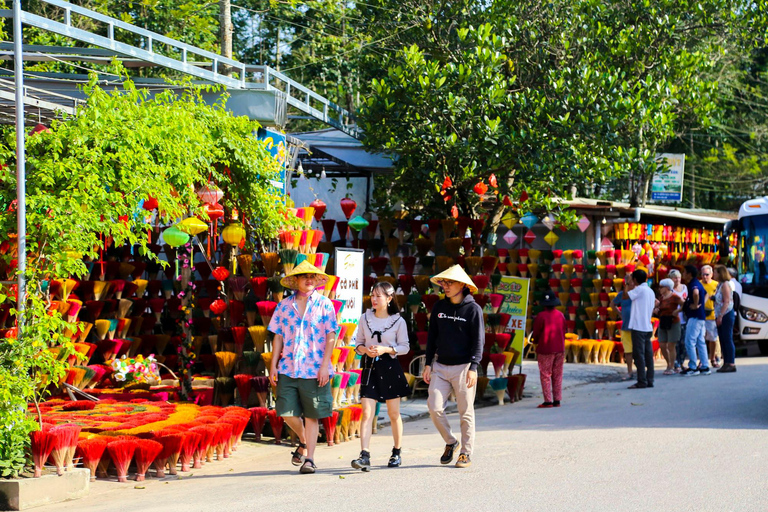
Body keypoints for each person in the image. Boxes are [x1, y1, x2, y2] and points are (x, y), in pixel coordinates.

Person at [267, 261, 339, 474]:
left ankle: (310, 458)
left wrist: (325, 366)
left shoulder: (325, 304)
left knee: (311, 415)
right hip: (288, 367)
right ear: (296, 280)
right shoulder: (283, 306)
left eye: (312, 277)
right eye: (304, 276)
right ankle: (304, 440)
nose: (309, 279)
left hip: (314, 368)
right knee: (286, 412)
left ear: (317, 281)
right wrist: (273, 366)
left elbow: (331, 336)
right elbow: (278, 337)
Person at [423, 265, 483, 469]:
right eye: (443, 283)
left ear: (462, 285)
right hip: (440, 366)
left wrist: (474, 367)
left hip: (464, 367)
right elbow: (432, 338)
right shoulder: (440, 307)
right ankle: (451, 442)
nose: (445, 286)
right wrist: (428, 363)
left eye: (449, 283)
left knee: (465, 412)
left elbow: (478, 341)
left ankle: (465, 453)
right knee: (434, 407)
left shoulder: (473, 309)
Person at [350, 282, 411, 471]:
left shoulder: (398, 321)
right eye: (372, 295)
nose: (374, 299)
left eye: (378, 296)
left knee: (393, 414)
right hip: (370, 367)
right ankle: (364, 455)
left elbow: (405, 347)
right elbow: (357, 343)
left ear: (389, 299)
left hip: (390, 367)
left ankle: (396, 452)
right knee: (367, 413)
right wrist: (364, 350)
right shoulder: (364, 318)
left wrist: (386, 349)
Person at [531, 290, 566, 408]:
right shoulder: (560, 315)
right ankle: (557, 400)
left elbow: (536, 333)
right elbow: (564, 330)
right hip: (560, 348)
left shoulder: (541, 316)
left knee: (546, 374)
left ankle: (548, 401)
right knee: (557, 374)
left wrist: (535, 342)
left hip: (545, 349)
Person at [626, 269, 657, 389]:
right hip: (647, 326)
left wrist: (628, 283)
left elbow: (625, 295)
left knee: (639, 355)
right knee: (648, 354)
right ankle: (650, 379)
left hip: (638, 327)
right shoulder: (650, 291)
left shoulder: (639, 289)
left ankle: (642, 380)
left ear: (635, 280)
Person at [682, 265, 710, 376]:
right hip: (700, 316)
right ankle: (705, 365)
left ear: (689, 274)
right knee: (700, 341)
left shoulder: (693, 284)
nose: (683, 274)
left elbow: (696, 293)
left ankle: (693, 367)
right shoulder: (697, 283)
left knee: (690, 341)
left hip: (694, 317)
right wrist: (701, 305)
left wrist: (695, 304)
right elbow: (706, 294)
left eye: (684, 272)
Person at [654, 279, 683, 375]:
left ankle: (671, 366)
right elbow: (660, 308)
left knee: (671, 345)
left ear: (667, 287)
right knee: (662, 344)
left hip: (673, 322)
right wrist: (657, 310)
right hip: (663, 321)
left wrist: (677, 311)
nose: (660, 289)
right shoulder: (662, 298)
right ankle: (669, 363)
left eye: (661, 287)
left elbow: (684, 304)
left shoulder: (674, 297)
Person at [714, 265, 737, 373]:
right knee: (722, 338)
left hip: (726, 314)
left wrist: (721, 316)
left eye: (715, 272)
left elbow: (727, 301)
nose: (714, 274)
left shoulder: (725, 285)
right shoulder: (719, 285)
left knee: (727, 338)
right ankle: (726, 362)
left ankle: (731, 362)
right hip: (719, 314)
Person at [612, 275, 634, 380]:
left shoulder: (639, 293)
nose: (630, 284)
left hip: (638, 327)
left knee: (638, 351)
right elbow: (613, 304)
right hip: (626, 327)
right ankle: (630, 371)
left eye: (632, 282)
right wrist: (620, 314)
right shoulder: (622, 294)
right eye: (628, 283)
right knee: (628, 351)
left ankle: (641, 371)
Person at [700, 265, 721, 368]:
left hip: (712, 315)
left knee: (712, 339)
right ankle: (702, 360)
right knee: (701, 339)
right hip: (700, 315)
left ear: (711, 274)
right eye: (703, 274)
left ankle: (712, 358)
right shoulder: (698, 285)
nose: (705, 277)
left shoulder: (716, 285)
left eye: (707, 274)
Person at [669, 269, 688, 373]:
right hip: (674, 319)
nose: (677, 280)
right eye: (675, 278)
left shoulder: (685, 288)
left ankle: (682, 361)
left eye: (679, 277)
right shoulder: (670, 290)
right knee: (675, 343)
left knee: (683, 343)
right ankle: (675, 363)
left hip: (684, 319)